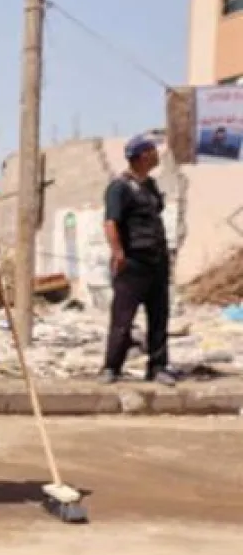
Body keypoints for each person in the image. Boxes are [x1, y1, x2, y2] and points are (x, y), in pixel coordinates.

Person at [101, 135, 176, 387]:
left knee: (159, 317)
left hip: (157, 262)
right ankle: (111, 367)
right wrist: (118, 253)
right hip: (132, 262)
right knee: (122, 318)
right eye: (153, 152)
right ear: (143, 155)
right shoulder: (119, 187)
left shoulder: (151, 186)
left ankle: (157, 367)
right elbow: (111, 222)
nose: (156, 156)